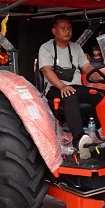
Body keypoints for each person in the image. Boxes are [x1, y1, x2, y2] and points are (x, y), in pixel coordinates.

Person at [38, 15, 96, 158]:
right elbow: (46, 70)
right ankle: (80, 140)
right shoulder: (46, 48)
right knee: (69, 94)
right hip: (55, 89)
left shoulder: (76, 48)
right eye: (62, 28)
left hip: (75, 87)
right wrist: (62, 86)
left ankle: (102, 134)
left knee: (100, 95)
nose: (67, 31)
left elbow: (87, 67)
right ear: (54, 31)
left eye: (69, 28)